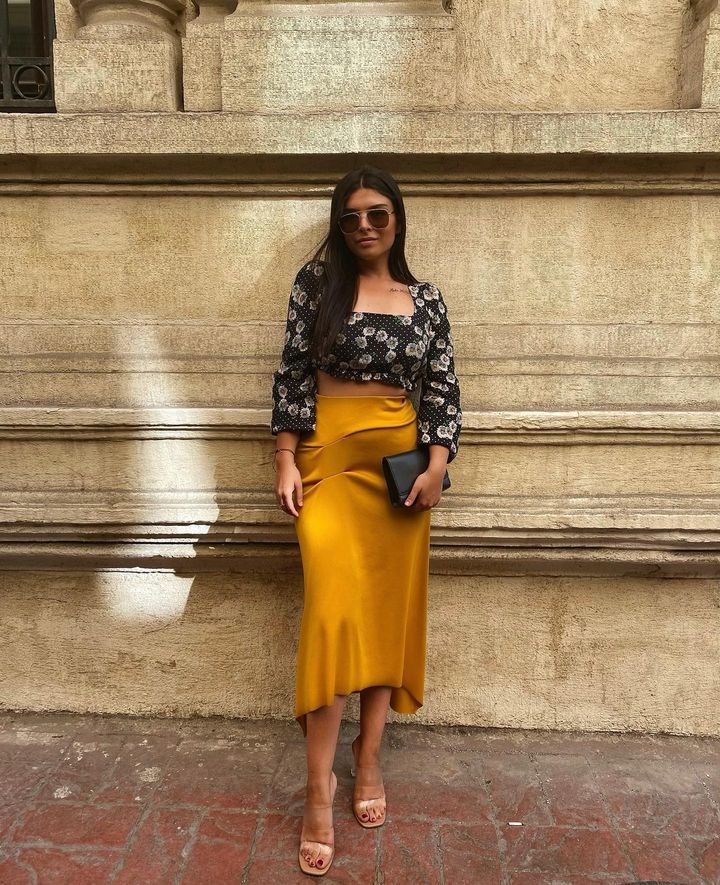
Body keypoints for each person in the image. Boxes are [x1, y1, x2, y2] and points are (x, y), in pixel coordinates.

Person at [270, 165, 462, 876]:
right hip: (325, 463)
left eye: (377, 213)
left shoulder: (426, 299)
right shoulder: (316, 285)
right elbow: (292, 372)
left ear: (397, 219)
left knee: (384, 614)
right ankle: (318, 785)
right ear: (339, 224)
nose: (364, 226)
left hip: (398, 477)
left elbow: (442, 386)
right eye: (351, 216)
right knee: (333, 613)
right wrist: (285, 458)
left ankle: (370, 754)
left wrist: (437, 462)